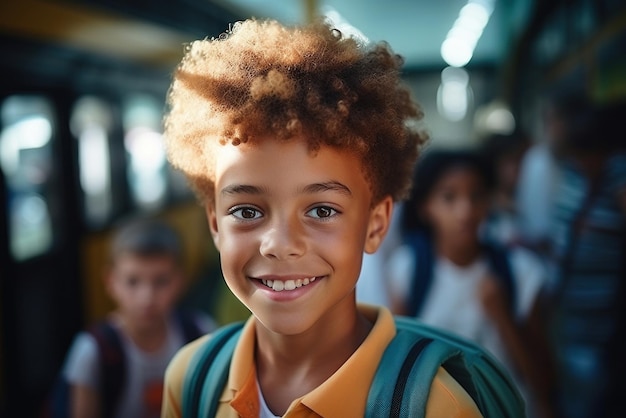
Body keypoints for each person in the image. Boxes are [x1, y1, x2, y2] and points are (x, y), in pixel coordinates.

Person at [159, 18, 519, 418]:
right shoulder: (191, 380)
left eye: (322, 210)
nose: (280, 243)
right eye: (246, 211)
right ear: (214, 224)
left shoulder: (438, 406)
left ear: (375, 224)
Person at [388, 149, 556, 418]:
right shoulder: (407, 269)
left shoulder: (521, 272)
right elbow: (395, 364)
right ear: (425, 207)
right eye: (449, 197)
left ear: (489, 201)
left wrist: (502, 316)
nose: (465, 211)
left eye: (476, 196)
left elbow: (543, 381)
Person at [60, 217, 216, 418]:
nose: (147, 298)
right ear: (111, 281)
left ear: (180, 280)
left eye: (161, 281)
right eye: (133, 282)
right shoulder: (93, 351)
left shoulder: (201, 333)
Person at [543, 96, 626, 418]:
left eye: (588, 156)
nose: (582, 163)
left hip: (601, 322)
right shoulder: (574, 173)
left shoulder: (618, 174)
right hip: (566, 313)